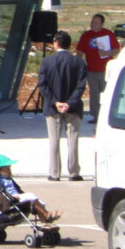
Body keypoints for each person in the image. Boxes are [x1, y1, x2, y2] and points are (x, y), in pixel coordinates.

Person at [37, 31, 88, 182]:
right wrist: (69, 102)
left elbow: (42, 85)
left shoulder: (47, 62)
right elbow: (81, 85)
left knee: (54, 140)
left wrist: (55, 102)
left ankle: (55, 173)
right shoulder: (79, 62)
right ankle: (73, 172)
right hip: (73, 107)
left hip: (53, 108)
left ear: (56, 42)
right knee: (73, 139)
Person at [74, 14, 117, 122]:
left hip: (105, 70)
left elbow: (117, 49)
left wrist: (107, 52)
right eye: (92, 22)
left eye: (96, 23)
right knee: (94, 93)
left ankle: (107, 116)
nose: (93, 24)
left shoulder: (108, 34)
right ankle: (96, 116)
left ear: (102, 24)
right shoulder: (86, 35)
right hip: (91, 70)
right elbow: (80, 52)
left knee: (106, 92)